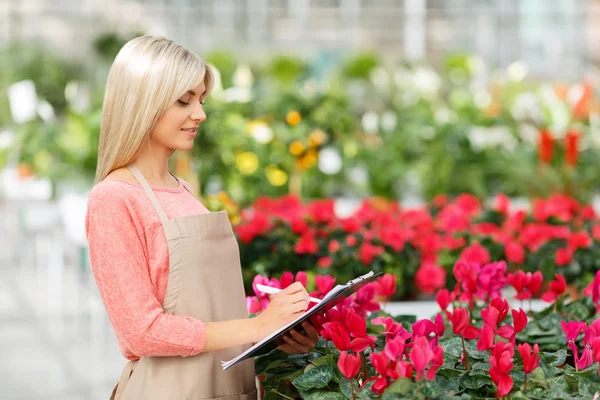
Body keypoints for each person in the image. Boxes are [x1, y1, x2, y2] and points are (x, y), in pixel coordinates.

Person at [85, 36, 319, 400]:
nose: (200, 114)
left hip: (226, 386)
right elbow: (141, 331)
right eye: (184, 100)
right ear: (142, 102)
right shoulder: (113, 199)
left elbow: (211, 309)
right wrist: (255, 326)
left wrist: (274, 334)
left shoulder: (184, 192)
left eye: (201, 100)